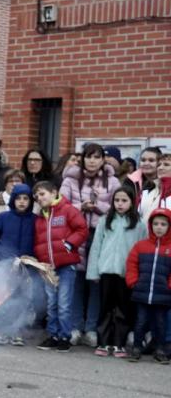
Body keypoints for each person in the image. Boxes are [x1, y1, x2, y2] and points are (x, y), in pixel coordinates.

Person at [60, 143, 121, 347]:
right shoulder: (70, 180)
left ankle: (92, 329)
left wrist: (97, 207)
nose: (92, 161)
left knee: (95, 282)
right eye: (89, 157)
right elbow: (61, 205)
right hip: (75, 233)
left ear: (103, 160)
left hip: (100, 233)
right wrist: (80, 207)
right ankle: (75, 327)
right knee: (76, 280)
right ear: (82, 158)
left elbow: (118, 207)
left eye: (97, 157)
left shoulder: (112, 181)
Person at [87, 186, 145, 357]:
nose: (120, 204)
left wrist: (137, 274)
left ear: (132, 202)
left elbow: (140, 251)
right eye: (117, 200)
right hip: (106, 271)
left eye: (124, 201)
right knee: (105, 307)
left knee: (123, 308)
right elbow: (96, 246)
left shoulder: (138, 225)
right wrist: (93, 272)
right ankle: (104, 342)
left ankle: (119, 343)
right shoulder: (105, 221)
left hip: (126, 273)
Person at [34, 181, 88, 352]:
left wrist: (69, 245)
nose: (39, 198)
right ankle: (53, 335)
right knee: (51, 303)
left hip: (66, 266)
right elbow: (38, 242)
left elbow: (82, 229)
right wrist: (40, 260)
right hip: (48, 268)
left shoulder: (68, 210)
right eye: (36, 196)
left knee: (64, 303)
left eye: (42, 194)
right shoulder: (40, 218)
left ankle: (65, 336)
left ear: (54, 192)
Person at [0, 184, 36, 345]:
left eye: (26, 199)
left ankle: (17, 331)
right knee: (3, 298)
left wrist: (32, 259)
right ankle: (0, 331)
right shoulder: (3, 217)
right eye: (18, 198)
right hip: (5, 265)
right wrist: (2, 254)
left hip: (26, 267)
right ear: (13, 200)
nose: (22, 202)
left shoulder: (35, 220)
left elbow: (39, 242)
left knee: (22, 300)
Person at [125, 208, 171, 364]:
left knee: (160, 323)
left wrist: (169, 286)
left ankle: (160, 349)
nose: (159, 227)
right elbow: (131, 264)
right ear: (150, 226)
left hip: (163, 294)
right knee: (140, 321)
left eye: (163, 224)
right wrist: (133, 281)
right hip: (142, 292)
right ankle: (137, 347)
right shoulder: (141, 246)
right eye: (156, 224)